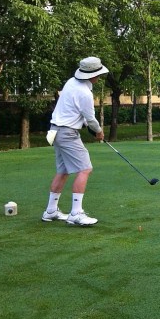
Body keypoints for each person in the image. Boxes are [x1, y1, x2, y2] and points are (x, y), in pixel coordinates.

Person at [42, 57, 109, 226]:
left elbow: (76, 111)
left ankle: (50, 211)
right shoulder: (85, 93)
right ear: (91, 75)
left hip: (55, 130)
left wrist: (88, 126)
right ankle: (76, 214)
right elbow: (90, 118)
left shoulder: (71, 82)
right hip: (67, 133)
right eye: (98, 74)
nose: (99, 77)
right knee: (85, 169)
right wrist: (99, 131)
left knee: (63, 170)